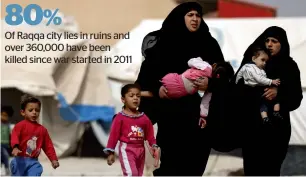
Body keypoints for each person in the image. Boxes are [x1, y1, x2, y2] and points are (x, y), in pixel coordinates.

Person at [135, 2, 225, 175]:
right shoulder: (164, 44)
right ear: (180, 18)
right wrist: (157, 89)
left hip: (200, 121)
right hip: (171, 118)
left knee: (194, 168)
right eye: (190, 15)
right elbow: (145, 79)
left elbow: (225, 75)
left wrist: (210, 84)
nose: (195, 19)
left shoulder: (208, 43)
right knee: (171, 168)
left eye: (198, 15)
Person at [233, 26, 303, 176]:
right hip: (253, 130)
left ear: (282, 44)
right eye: (267, 40)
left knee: (271, 171)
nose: (269, 44)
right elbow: (236, 90)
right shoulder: (252, 64)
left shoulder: (289, 67)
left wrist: (279, 93)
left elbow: (296, 98)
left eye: (274, 41)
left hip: (277, 131)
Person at [103, 84, 160, 176]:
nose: (135, 98)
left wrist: (154, 145)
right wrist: (110, 152)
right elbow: (113, 136)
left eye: (138, 96)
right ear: (123, 99)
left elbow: (150, 135)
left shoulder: (144, 118)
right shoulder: (119, 118)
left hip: (141, 150)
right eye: (131, 96)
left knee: (138, 174)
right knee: (131, 173)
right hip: (127, 149)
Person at [10, 94, 60, 176]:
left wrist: (53, 159)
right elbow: (14, 137)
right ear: (23, 112)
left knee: (36, 171)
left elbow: (48, 145)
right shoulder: (19, 126)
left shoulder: (42, 130)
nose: (34, 112)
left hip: (33, 162)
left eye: (37, 110)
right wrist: (15, 147)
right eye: (30, 110)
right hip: (19, 161)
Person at [235, 45, 282, 123]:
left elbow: (262, 79)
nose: (264, 63)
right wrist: (271, 81)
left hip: (257, 89)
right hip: (247, 93)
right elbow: (258, 79)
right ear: (254, 58)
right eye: (262, 60)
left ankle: (271, 115)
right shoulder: (250, 67)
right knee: (262, 102)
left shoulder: (259, 69)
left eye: (266, 61)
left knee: (268, 101)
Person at [1, 105, 14, 175]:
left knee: (5, 157)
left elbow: (10, 135)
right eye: (2, 115)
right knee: (5, 155)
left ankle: (7, 170)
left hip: (6, 144)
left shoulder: (8, 125)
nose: (4, 117)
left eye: (6, 116)